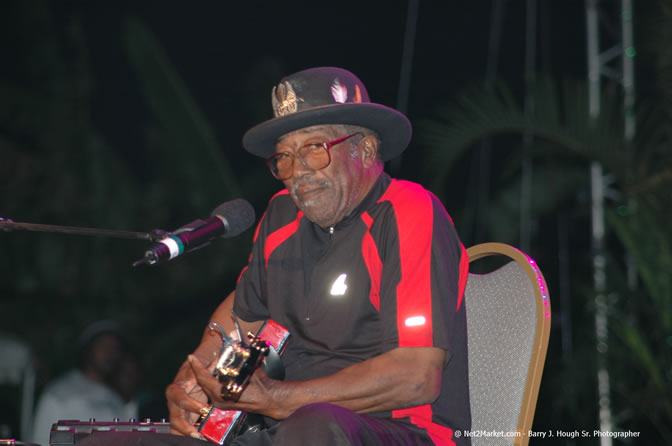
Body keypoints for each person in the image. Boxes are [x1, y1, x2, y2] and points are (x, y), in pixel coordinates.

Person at [82, 66, 471, 446]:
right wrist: (194, 375)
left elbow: (416, 376)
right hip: (281, 429)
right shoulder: (282, 215)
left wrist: (278, 400)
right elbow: (240, 317)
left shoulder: (408, 211)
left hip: (393, 430)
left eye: (313, 150)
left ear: (365, 150)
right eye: (283, 158)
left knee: (315, 425)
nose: (296, 172)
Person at [31, 321, 138, 446]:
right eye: (103, 345)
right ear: (87, 350)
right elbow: (41, 440)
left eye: (115, 347)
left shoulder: (115, 398)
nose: (110, 352)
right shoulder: (59, 393)